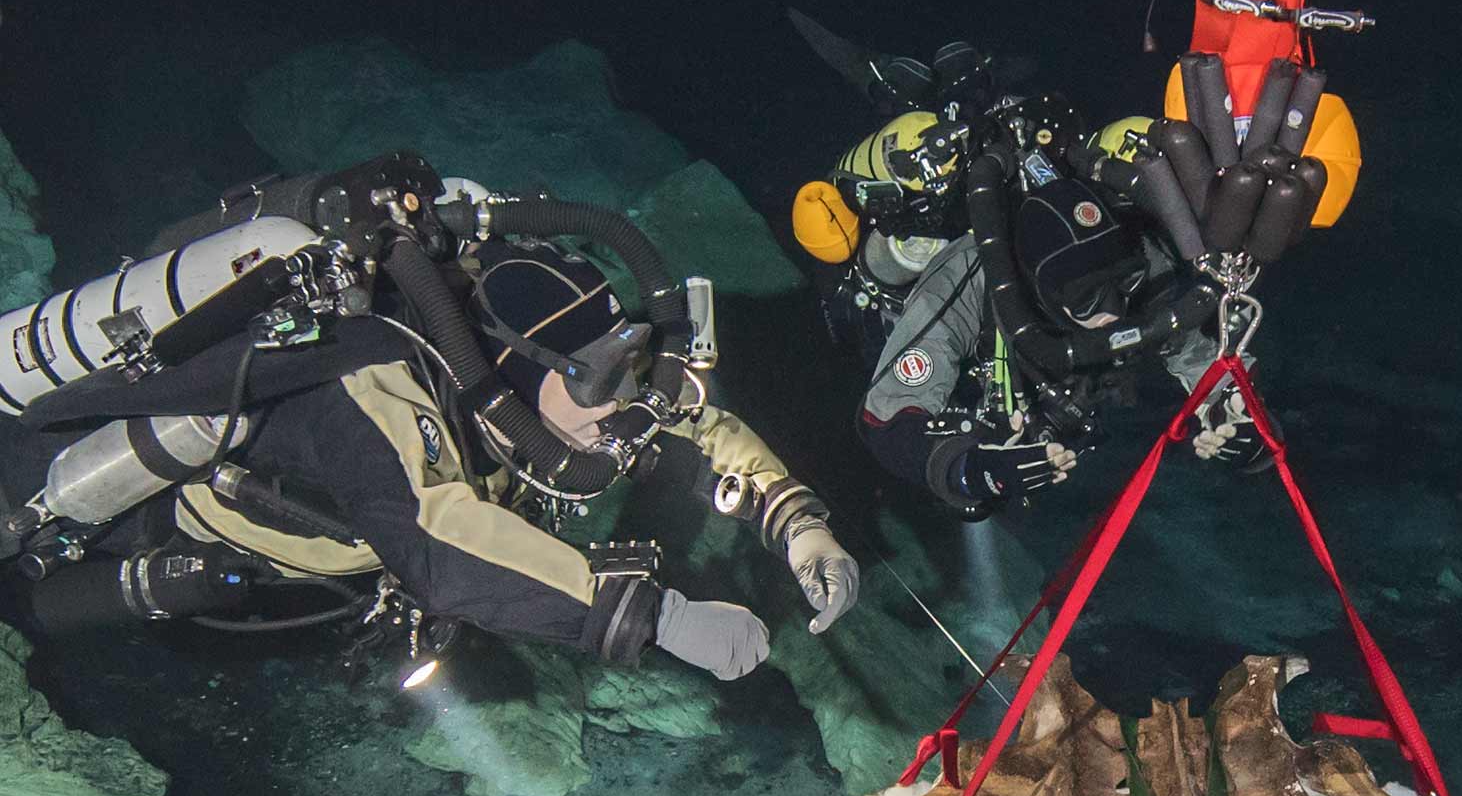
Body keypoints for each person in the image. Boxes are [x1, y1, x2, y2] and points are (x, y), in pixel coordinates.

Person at [1, 162, 856, 683]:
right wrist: (657, 619)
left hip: (281, 560)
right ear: (519, 368)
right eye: (599, 381)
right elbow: (437, 539)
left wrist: (798, 523)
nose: (621, 412)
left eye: (627, 369)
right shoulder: (367, 379)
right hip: (88, 492)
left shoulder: (525, 400)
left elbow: (690, 422)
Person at [846, 110, 1264, 515]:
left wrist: (1244, 422)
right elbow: (886, 416)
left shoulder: (1143, 259)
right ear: (1040, 292)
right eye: (1086, 299)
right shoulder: (972, 275)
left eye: (1125, 285)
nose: (1114, 314)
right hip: (971, 389)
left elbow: (1207, 359)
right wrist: (970, 469)